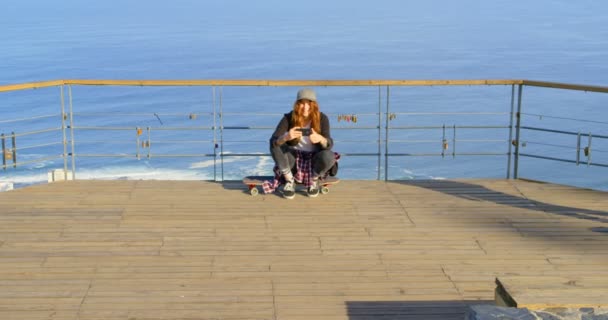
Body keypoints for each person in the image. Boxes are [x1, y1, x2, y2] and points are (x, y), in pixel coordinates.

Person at [268, 88, 336, 199]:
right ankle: (289, 180)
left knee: (329, 155)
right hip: (293, 160)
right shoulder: (289, 117)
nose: (305, 107)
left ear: (314, 105)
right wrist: (286, 137)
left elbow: (329, 144)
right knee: (275, 144)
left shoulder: (322, 118)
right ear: (297, 104)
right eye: (302, 103)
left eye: (309, 103)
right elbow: (274, 140)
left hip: (313, 160)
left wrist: (320, 139)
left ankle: (313, 180)